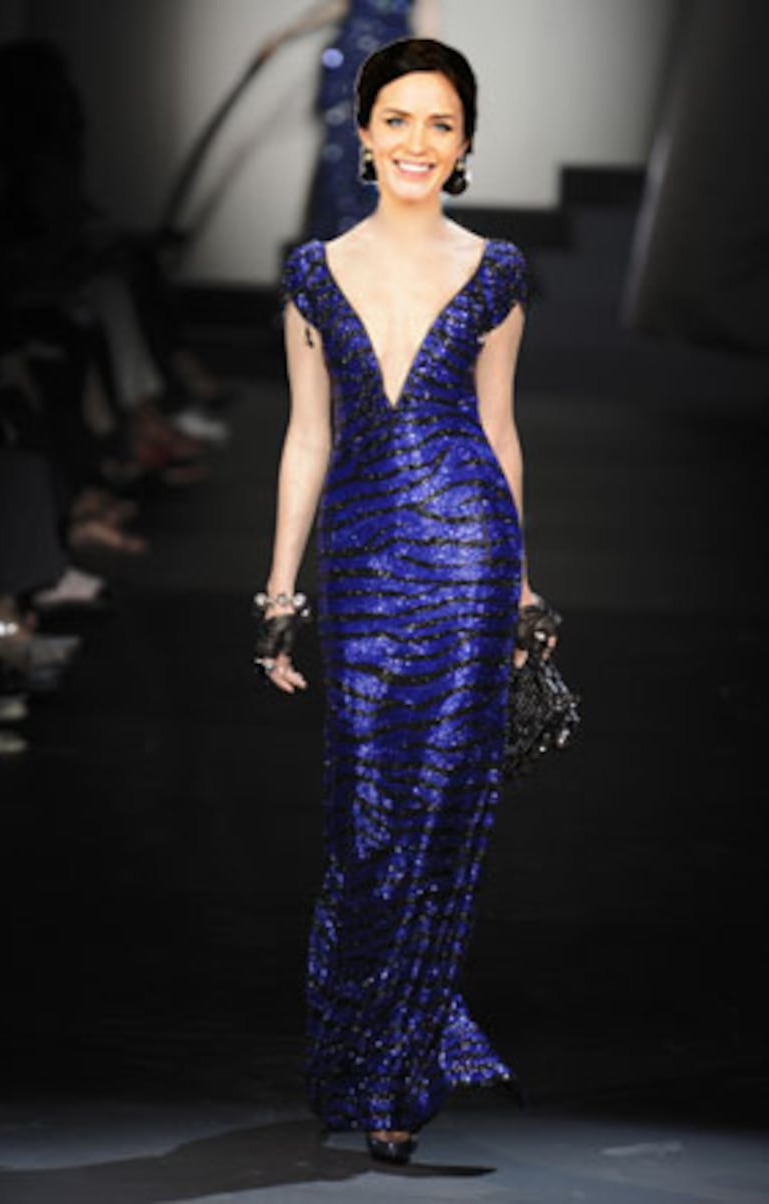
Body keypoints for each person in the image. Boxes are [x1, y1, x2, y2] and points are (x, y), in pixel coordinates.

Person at [256, 37, 555, 1165]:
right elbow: (307, 436)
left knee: (436, 817)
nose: (417, 142)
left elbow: (499, 431)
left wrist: (519, 585)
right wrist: (279, 592)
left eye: (440, 123)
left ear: (465, 143)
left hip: (468, 558)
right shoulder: (313, 271)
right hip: (361, 563)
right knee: (366, 814)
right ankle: (378, 1047)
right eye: (398, 119)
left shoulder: (497, 270)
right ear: (364, 131)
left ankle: (394, 1074)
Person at [259, 1, 439, 238]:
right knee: (339, 155)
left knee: (381, 152)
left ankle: (376, 240)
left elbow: (428, 28)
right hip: (347, 64)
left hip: (388, 67)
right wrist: (286, 34)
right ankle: (334, 239)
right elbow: (339, 5)